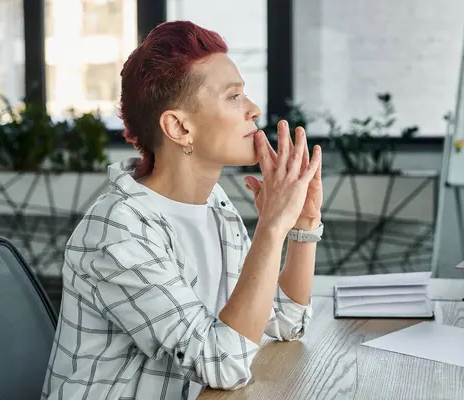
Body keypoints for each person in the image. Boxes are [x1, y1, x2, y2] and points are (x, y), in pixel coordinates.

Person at [41, 20, 323, 400]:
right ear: (178, 127)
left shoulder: (215, 207)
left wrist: (302, 226)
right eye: (233, 96)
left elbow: (284, 322)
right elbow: (224, 364)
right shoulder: (118, 233)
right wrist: (271, 227)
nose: (253, 109)